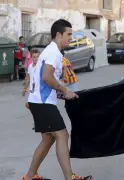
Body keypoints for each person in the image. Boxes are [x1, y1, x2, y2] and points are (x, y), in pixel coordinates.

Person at [23, 19, 92, 180]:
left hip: (39, 101)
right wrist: (64, 90)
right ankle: (70, 177)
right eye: (68, 34)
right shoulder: (53, 52)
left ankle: (30, 176)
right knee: (62, 135)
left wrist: (60, 94)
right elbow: (46, 77)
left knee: (48, 139)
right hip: (42, 103)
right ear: (59, 34)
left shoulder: (51, 51)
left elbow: (43, 80)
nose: (70, 38)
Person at [21, 49, 40, 130]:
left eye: (37, 57)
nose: (36, 58)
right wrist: (25, 88)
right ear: (31, 58)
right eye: (34, 57)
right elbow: (28, 78)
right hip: (32, 90)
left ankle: (40, 124)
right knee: (30, 106)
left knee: (39, 107)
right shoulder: (30, 67)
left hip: (39, 91)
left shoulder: (41, 67)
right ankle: (37, 123)